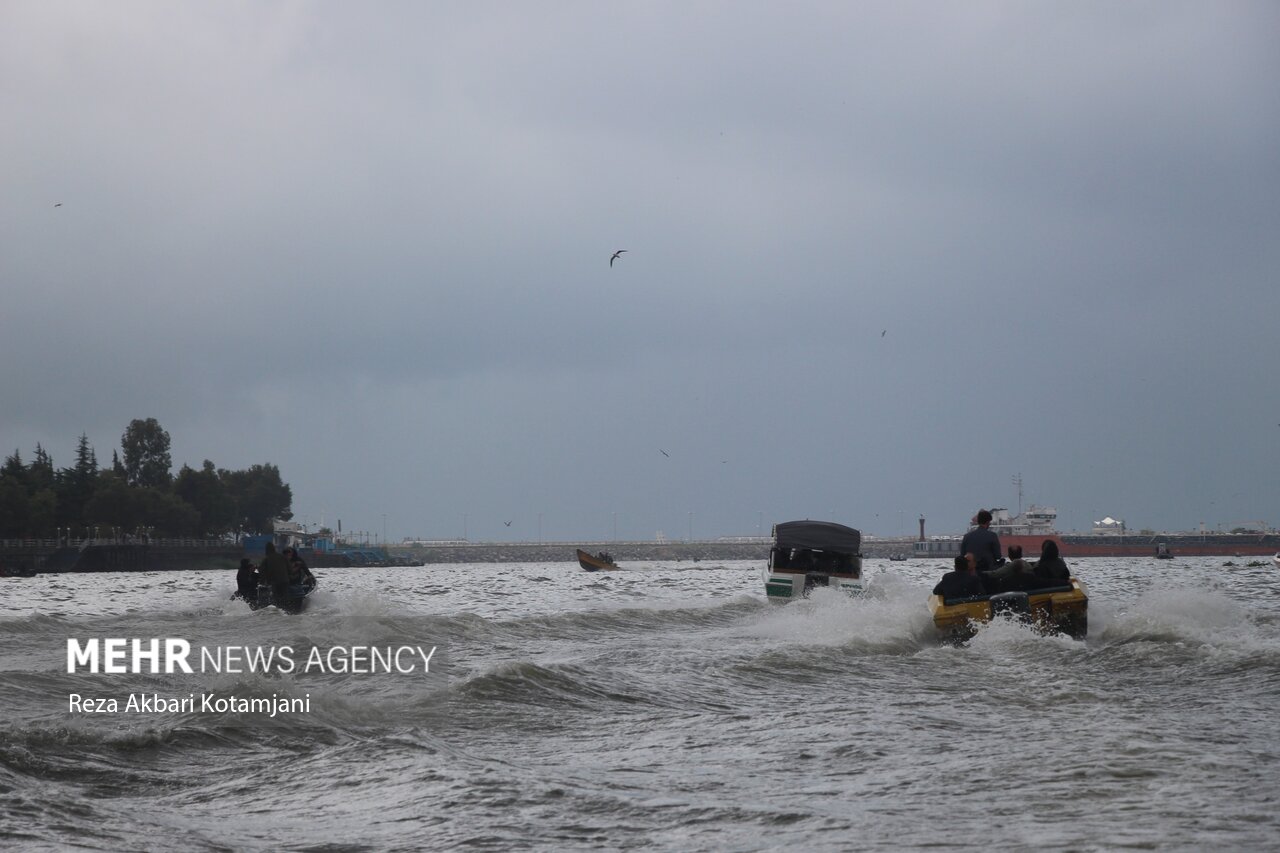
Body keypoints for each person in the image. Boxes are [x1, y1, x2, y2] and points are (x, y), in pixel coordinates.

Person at [960, 509, 1004, 574]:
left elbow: (962, 555)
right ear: (988, 522)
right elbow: (998, 556)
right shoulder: (992, 536)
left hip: (972, 572)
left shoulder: (967, 536)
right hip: (988, 571)